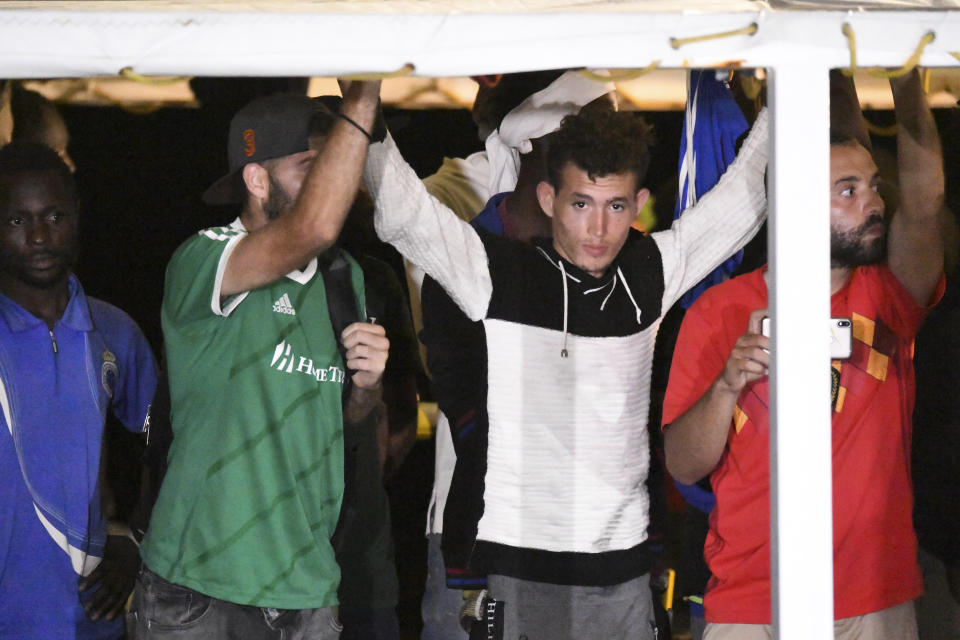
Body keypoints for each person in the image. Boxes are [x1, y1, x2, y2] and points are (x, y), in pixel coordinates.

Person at [365, 76, 769, 636]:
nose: (599, 229)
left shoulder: (649, 270)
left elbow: (745, 198)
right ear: (549, 198)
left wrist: (782, 97)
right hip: (517, 570)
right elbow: (401, 213)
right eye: (581, 203)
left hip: (625, 571)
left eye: (616, 206)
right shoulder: (496, 272)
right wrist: (363, 105)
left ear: (639, 205)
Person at [661, 69, 944, 640]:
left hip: (874, 593)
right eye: (848, 190)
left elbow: (926, 201)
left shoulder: (889, 295)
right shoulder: (719, 312)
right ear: (793, 201)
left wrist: (908, 70)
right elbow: (684, 465)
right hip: (751, 599)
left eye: (871, 184)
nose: (873, 202)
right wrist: (725, 386)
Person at [135, 83, 387, 639]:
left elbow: (336, 421)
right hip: (196, 589)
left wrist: (367, 389)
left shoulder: (346, 277)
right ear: (256, 178)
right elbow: (312, 227)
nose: (332, 181)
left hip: (307, 589)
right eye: (309, 166)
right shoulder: (204, 258)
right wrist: (363, 98)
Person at [0, 142, 157, 639]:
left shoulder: (113, 332)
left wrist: (136, 539)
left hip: (87, 618)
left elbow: (172, 441)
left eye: (54, 216)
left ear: (77, 216)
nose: (41, 236)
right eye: (18, 221)